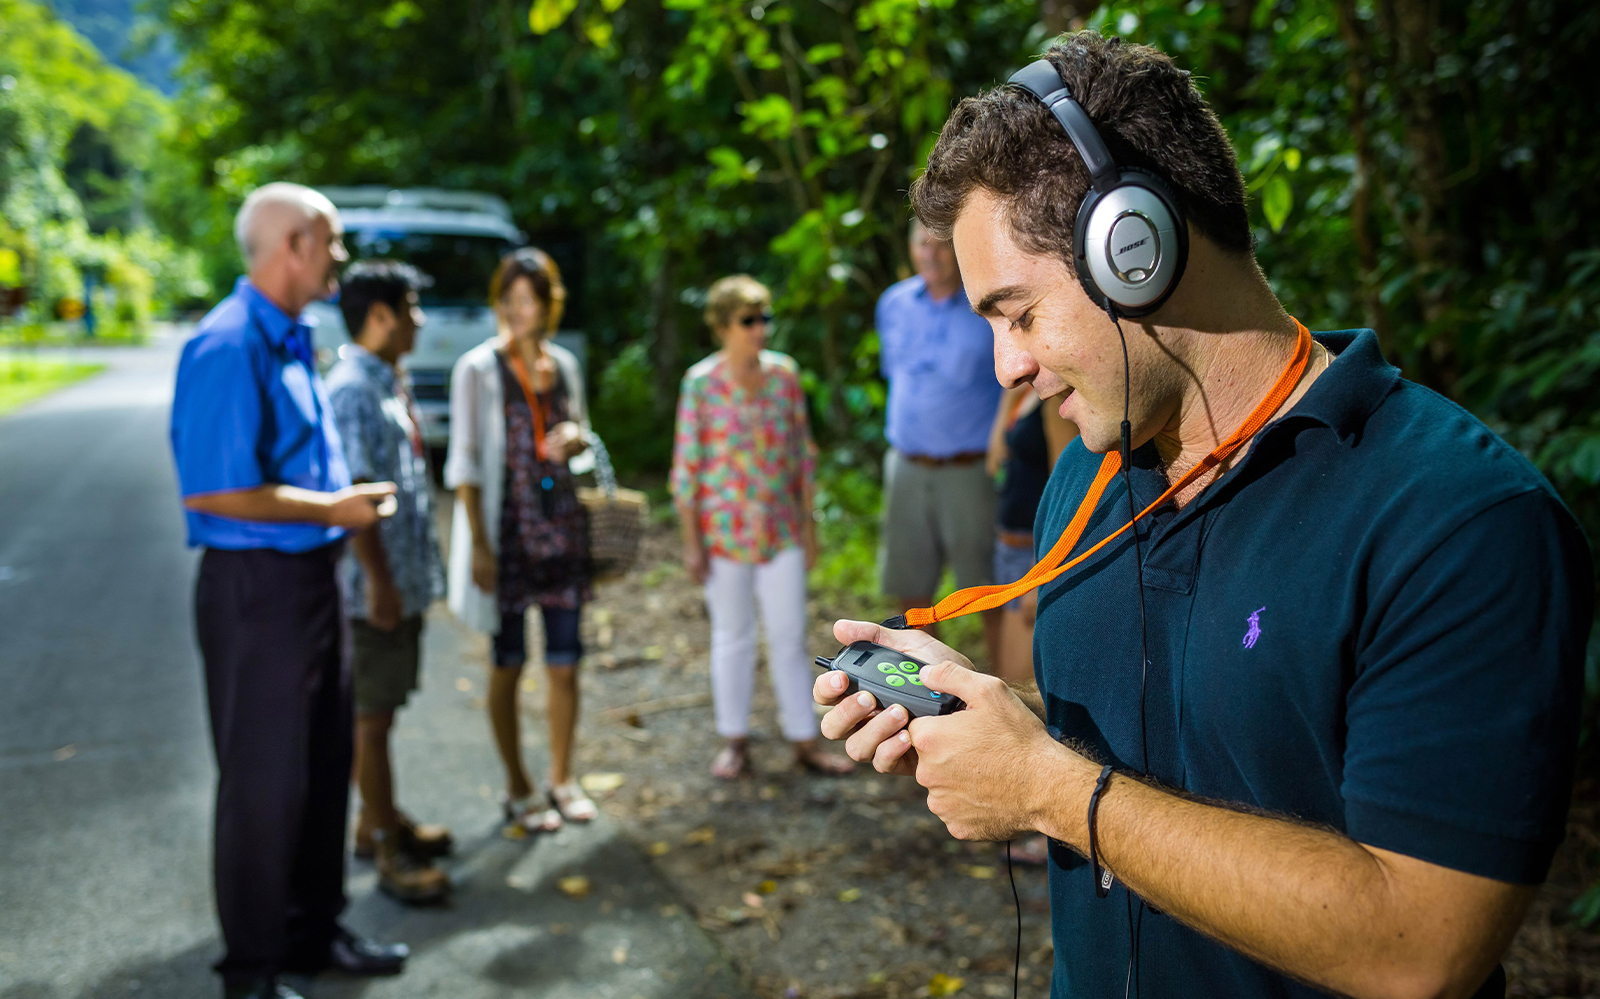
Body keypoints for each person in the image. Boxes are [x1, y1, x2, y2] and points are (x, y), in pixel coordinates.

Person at [817, 33, 1592, 999]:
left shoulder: (1460, 521)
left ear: (1132, 248)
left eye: (1018, 314)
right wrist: (994, 729)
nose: (1006, 368)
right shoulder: (1087, 480)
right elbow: (1167, 762)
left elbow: (1418, 946)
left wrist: (1047, 790)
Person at [170, 182, 410, 999]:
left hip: (313, 580)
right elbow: (210, 490)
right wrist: (334, 508)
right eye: (334, 241)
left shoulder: (293, 336)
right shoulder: (226, 343)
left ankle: (315, 934)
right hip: (254, 589)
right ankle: (253, 972)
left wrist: (343, 514)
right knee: (264, 782)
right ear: (295, 244)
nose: (341, 256)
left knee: (320, 760)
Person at [670, 276, 854, 780]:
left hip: (781, 533)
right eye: (748, 320)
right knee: (732, 636)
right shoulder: (700, 383)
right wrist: (691, 542)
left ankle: (803, 740)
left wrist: (810, 528)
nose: (759, 329)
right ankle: (734, 739)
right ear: (722, 326)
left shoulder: (784, 376)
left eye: (763, 318)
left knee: (790, 635)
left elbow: (801, 456)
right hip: (722, 534)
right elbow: (687, 468)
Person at [445, 247, 597, 835]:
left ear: (547, 305)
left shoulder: (562, 365)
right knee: (507, 664)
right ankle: (517, 785)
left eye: (528, 300)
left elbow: (580, 434)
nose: (517, 310)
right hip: (506, 540)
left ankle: (562, 777)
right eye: (508, 300)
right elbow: (462, 464)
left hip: (561, 533)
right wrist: (479, 545)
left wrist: (576, 440)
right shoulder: (477, 369)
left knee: (565, 665)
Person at [325, 260, 451, 904]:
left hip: (398, 579)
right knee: (370, 720)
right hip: (374, 587)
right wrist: (378, 582)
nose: (419, 320)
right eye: (410, 307)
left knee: (384, 710)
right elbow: (355, 494)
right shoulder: (352, 388)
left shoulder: (383, 379)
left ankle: (379, 818)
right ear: (380, 316)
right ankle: (386, 851)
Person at [876, 220, 1004, 666]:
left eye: (940, 245)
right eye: (921, 243)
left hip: (968, 471)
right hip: (906, 467)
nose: (930, 253)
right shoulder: (892, 304)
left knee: (986, 591)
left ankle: (1005, 690)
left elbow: (1012, 385)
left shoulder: (983, 307)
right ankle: (920, 689)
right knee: (911, 590)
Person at [984, 384, 1076, 685]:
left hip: (1032, 553)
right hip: (1008, 546)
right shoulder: (1021, 395)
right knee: (1002, 673)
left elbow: (1068, 488)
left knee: (1015, 684)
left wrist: (1044, 572)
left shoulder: (1054, 400)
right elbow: (994, 459)